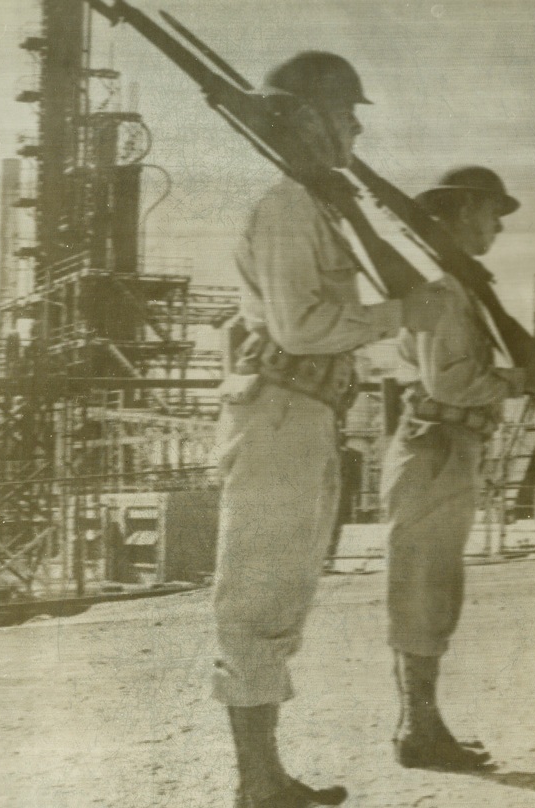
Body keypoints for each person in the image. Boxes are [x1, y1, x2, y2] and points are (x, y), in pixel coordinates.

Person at [211, 52, 448, 808]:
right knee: (257, 597)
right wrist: (401, 315)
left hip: (307, 414)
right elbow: (299, 324)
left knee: (282, 597)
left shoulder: (315, 207)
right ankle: (256, 785)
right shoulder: (286, 206)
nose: (353, 129)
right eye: (345, 115)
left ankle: (268, 777)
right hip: (281, 412)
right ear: (307, 119)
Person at [381, 166, 535, 771]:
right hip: (436, 445)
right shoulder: (444, 284)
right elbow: (450, 380)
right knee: (424, 591)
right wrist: (520, 378)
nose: (498, 228)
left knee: (432, 589)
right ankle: (419, 730)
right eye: (490, 213)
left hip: (445, 448)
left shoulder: (458, 281)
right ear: (459, 212)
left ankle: (422, 725)